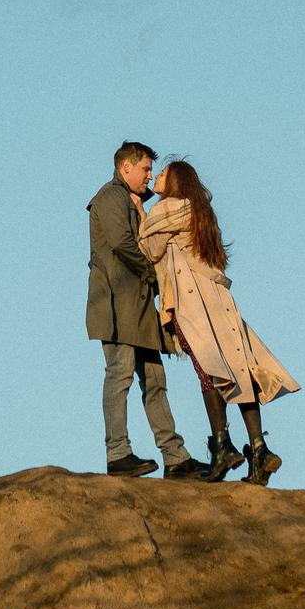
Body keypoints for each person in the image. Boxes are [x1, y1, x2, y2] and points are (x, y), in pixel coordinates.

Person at [139, 158, 298, 484]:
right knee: (240, 370)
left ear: (175, 182)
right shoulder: (201, 213)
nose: (156, 176)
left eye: (163, 173)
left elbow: (149, 248)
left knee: (208, 368)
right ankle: (259, 449)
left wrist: (140, 213)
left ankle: (222, 446)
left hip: (193, 302)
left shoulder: (168, 208)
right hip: (221, 303)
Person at [87, 141, 203, 479]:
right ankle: (118, 453)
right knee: (119, 375)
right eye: (145, 169)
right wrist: (154, 273)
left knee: (155, 382)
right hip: (115, 304)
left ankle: (175, 457)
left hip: (138, 306)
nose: (150, 176)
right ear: (126, 167)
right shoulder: (109, 198)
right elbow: (124, 244)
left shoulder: (133, 201)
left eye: (152, 171)